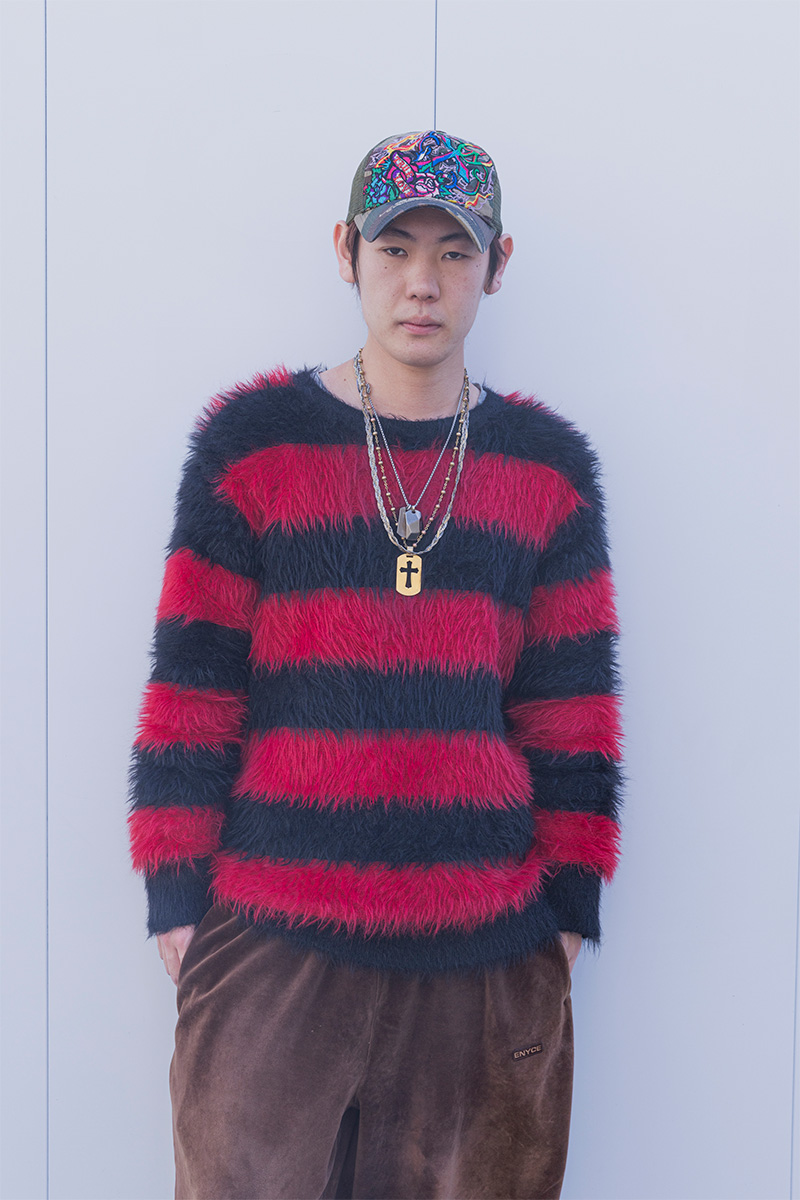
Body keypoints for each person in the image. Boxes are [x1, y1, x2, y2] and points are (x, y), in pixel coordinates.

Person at [128, 128, 623, 1200]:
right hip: (273, 942)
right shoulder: (253, 444)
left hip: (485, 958)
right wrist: (175, 894)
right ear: (346, 251)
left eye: (454, 252)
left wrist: (567, 917)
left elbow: (571, 710)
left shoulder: (546, 469)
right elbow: (191, 683)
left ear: (497, 265)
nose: (422, 283)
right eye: (396, 248)